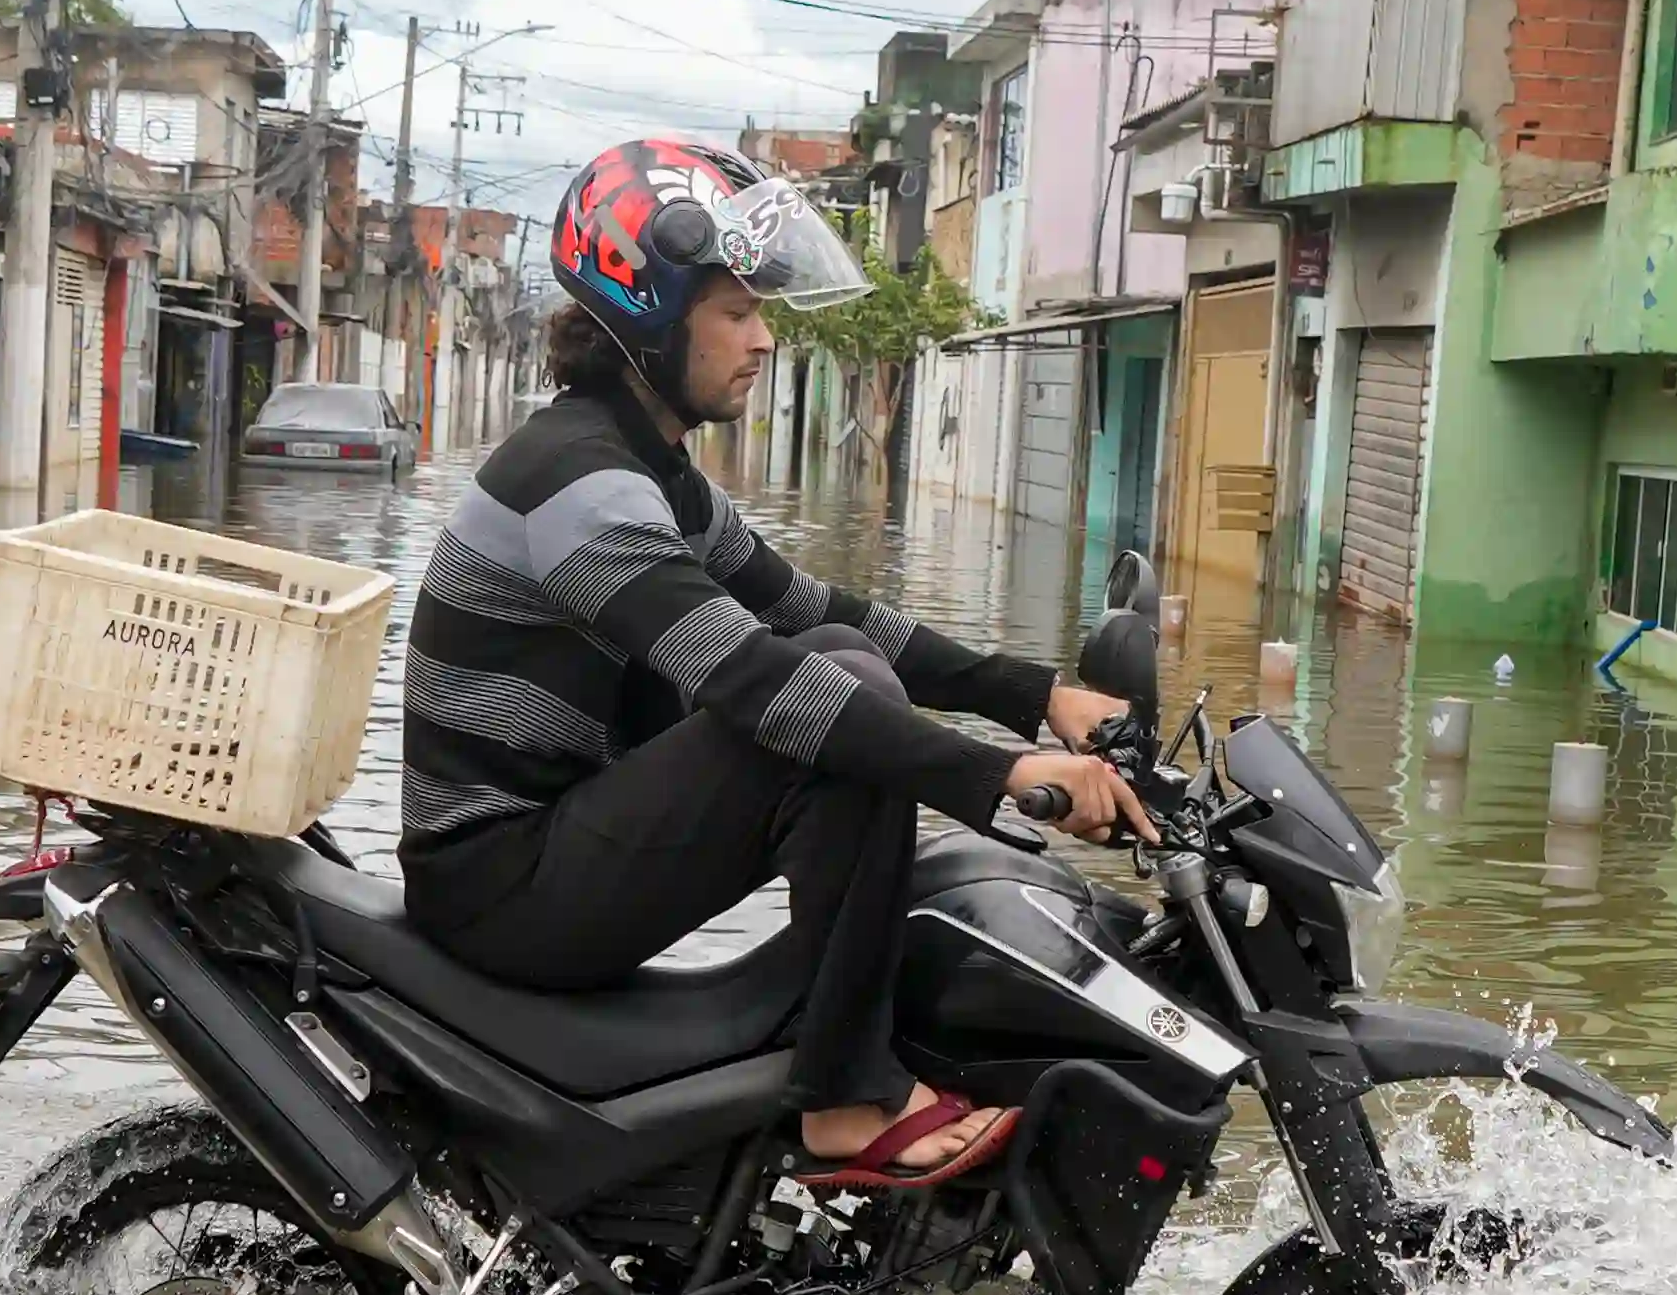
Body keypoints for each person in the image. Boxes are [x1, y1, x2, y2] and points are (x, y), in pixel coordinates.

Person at [400, 137, 1144, 1183]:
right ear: (652, 318)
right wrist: (1003, 777)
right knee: (825, 710)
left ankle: (844, 1058)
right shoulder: (576, 484)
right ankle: (845, 1094)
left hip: (557, 843)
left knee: (839, 655)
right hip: (502, 889)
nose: (762, 339)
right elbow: (747, 677)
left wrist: (1035, 696)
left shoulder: (644, 469)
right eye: (735, 312)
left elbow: (811, 608)